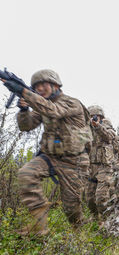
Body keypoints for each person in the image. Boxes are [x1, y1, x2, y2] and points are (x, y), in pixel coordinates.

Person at [3, 69, 92, 236]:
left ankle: (80, 232)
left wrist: (24, 92)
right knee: (26, 174)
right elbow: (26, 126)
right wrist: (23, 111)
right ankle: (39, 225)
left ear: (56, 85)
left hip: (74, 161)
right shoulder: (41, 106)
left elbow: (53, 110)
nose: (40, 89)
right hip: (50, 156)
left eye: (43, 84)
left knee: (71, 208)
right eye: (36, 86)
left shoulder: (71, 103)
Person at [85, 105, 119, 227]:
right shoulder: (85, 129)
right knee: (89, 198)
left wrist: (98, 127)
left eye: (95, 117)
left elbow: (109, 136)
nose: (93, 119)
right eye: (89, 116)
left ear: (101, 117)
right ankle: (95, 218)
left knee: (101, 197)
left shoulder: (106, 127)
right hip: (90, 168)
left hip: (104, 168)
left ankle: (106, 220)